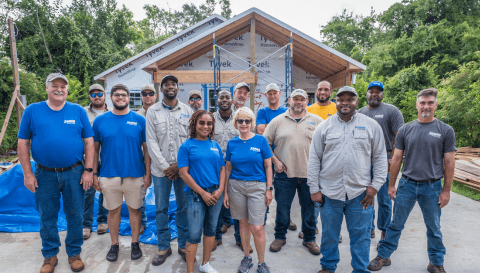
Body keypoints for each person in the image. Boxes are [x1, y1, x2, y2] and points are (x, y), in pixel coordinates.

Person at [368, 88, 456, 273]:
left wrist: (446, 190)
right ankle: (384, 256)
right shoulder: (406, 129)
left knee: (434, 227)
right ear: (417, 104)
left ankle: (436, 262)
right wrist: (391, 185)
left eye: (430, 102)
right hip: (407, 185)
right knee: (395, 224)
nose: (426, 106)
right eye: (422, 102)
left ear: (435, 104)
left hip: (432, 187)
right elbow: (397, 158)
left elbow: (449, 162)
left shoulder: (445, 130)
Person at [17, 73, 94, 273]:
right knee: (47, 216)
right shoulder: (33, 110)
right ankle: (50, 255)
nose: (59, 89)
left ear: (67, 90)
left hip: (74, 172)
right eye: (55, 86)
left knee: (75, 215)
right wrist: (28, 173)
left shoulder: (77, 110)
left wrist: (89, 171)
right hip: (44, 174)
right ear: (47, 88)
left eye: (63, 86)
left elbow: (89, 142)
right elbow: (23, 143)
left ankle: (74, 253)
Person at [307, 86, 388, 273]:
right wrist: (314, 189)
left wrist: (374, 187)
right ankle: (328, 266)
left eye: (349, 99)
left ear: (357, 102)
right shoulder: (324, 127)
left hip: (360, 195)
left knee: (361, 237)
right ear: (335, 101)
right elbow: (313, 159)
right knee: (329, 235)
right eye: (341, 99)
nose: (345, 103)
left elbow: (380, 159)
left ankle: (360, 269)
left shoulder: (371, 126)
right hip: (329, 193)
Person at [91, 84, 151, 262]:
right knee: (113, 211)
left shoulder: (140, 120)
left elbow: (146, 149)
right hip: (109, 175)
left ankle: (135, 243)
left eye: (124, 95)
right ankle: (114, 244)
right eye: (117, 95)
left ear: (128, 98)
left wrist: (148, 174)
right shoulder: (100, 121)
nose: (120, 98)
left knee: (135, 210)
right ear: (111, 97)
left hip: (135, 174)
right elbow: (94, 150)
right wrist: (94, 174)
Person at [264, 89, 323, 255]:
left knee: (310, 209)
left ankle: (309, 239)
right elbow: (265, 144)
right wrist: (275, 161)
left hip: (309, 175)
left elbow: (327, 145)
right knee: (283, 208)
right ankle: (280, 236)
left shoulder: (317, 121)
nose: (298, 102)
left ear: (307, 101)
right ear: (289, 100)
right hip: (284, 174)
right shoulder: (277, 121)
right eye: (295, 99)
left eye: (302, 99)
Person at [146, 75, 193, 266]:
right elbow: (151, 142)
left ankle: (182, 245)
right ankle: (164, 246)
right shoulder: (152, 112)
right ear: (162, 89)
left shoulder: (188, 111)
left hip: (182, 170)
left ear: (178, 88)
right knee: (161, 208)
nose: (170, 87)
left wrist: (178, 166)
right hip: (160, 171)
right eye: (167, 85)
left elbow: (191, 140)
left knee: (183, 208)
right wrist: (166, 167)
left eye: (174, 84)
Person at [224, 107, 273, 273]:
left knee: (257, 227)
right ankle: (247, 258)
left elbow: (268, 165)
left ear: (252, 123)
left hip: (257, 187)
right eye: (240, 121)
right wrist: (225, 192)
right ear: (236, 123)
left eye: (247, 121)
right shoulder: (232, 143)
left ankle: (262, 263)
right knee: (243, 224)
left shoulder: (260, 140)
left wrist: (269, 188)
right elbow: (228, 169)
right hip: (236, 187)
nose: (243, 124)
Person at [178, 110, 226, 273]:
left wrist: (220, 190)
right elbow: (183, 173)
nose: (206, 126)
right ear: (194, 124)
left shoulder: (215, 146)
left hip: (215, 194)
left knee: (211, 230)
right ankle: (190, 270)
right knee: (193, 234)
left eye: (209, 123)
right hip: (196, 195)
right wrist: (203, 193)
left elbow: (222, 169)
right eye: (202, 123)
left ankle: (205, 264)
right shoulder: (187, 146)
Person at [358, 81, 404, 242]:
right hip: (363, 159)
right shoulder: (360, 112)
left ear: (383, 94)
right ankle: (368, 228)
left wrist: (393, 159)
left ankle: (384, 231)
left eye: (378, 91)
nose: (374, 94)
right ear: (367, 94)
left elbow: (399, 136)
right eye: (371, 91)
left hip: (384, 158)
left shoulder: (391, 111)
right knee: (365, 194)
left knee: (384, 198)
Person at [256, 83, 296, 231]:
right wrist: (279, 128)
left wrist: (271, 128)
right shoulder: (262, 112)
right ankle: (262, 217)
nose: (272, 96)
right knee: (264, 188)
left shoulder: (286, 111)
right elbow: (260, 130)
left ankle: (285, 218)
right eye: (269, 93)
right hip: (265, 158)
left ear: (279, 94)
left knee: (283, 193)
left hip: (283, 157)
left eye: (275, 93)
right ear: (266, 95)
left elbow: (291, 130)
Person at [302, 80, 337, 240]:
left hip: (332, 159)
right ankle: (311, 226)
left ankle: (333, 231)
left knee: (333, 197)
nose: (322, 92)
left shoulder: (337, 109)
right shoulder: (308, 109)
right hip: (314, 158)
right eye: (320, 89)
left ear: (330, 92)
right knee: (313, 194)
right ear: (316, 91)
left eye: (326, 89)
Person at [212, 90, 239, 250]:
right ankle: (216, 236)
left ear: (232, 100)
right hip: (215, 165)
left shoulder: (239, 118)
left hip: (235, 165)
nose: (224, 100)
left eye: (227, 97)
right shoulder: (210, 119)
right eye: (221, 97)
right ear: (217, 100)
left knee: (235, 199)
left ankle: (239, 236)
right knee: (217, 198)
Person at [83, 84, 110, 240]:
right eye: (93, 95)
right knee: (88, 191)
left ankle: (103, 221)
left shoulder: (112, 113)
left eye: (99, 93)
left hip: (106, 158)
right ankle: (86, 224)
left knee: (105, 189)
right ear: (90, 97)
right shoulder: (83, 113)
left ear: (105, 95)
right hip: (88, 158)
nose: (97, 96)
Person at [136, 83, 158, 234]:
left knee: (163, 194)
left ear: (155, 95)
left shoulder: (162, 112)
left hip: (160, 160)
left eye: (151, 93)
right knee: (141, 192)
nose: (148, 96)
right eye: (145, 93)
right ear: (141, 96)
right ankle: (142, 222)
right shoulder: (136, 115)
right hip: (141, 160)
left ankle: (162, 223)